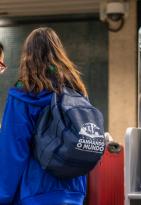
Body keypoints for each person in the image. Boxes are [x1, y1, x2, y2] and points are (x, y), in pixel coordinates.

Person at [0, 27, 87, 204]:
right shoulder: (76, 91)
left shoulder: (24, 95)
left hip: (35, 192)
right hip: (74, 192)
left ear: (28, 55)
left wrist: (3, 195)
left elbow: (14, 149)